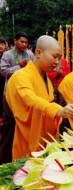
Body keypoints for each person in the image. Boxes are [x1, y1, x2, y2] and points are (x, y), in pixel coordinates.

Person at [5, 35, 73, 161]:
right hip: (21, 142)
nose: (57, 62)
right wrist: (57, 111)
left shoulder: (46, 79)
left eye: (60, 58)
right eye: (54, 56)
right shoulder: (20, 76)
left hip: (42, 144)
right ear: (39, 53)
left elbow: (50, 103)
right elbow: (31, 99)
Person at [0, 32, 35, 164]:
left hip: (26, 94)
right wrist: (18, 66)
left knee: (24, 124)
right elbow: (3, 71)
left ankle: (23, 156)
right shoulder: (8, 55)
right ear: (15, 41)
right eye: (22, 42)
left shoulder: (30, 55)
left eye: (26, 42)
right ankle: (5, 158)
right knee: (9, 127)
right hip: (10, 95)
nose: (24, 45)